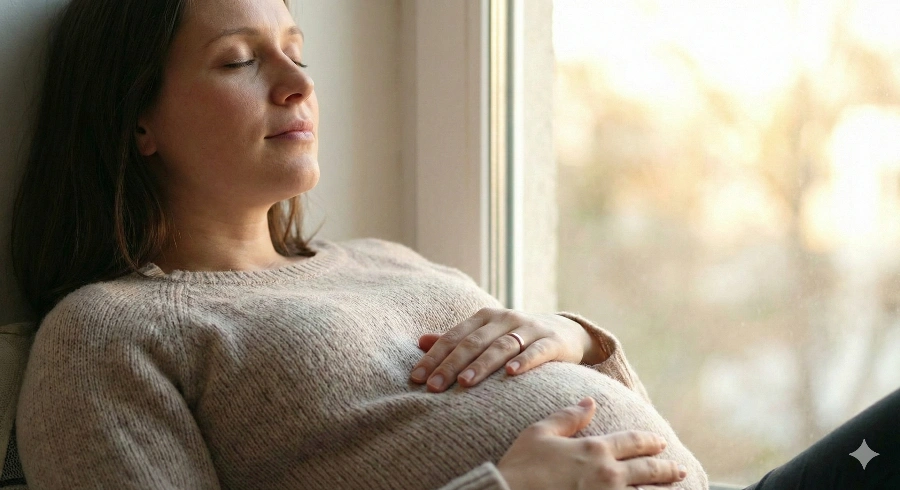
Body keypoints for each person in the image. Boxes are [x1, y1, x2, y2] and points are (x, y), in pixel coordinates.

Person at [8, 1, 897, 489]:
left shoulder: (387, 261)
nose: (296, 83)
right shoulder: (106, 336)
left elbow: (614, 431)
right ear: (135, 119)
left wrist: (576, 339)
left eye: (295, 50)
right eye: (241, 60)